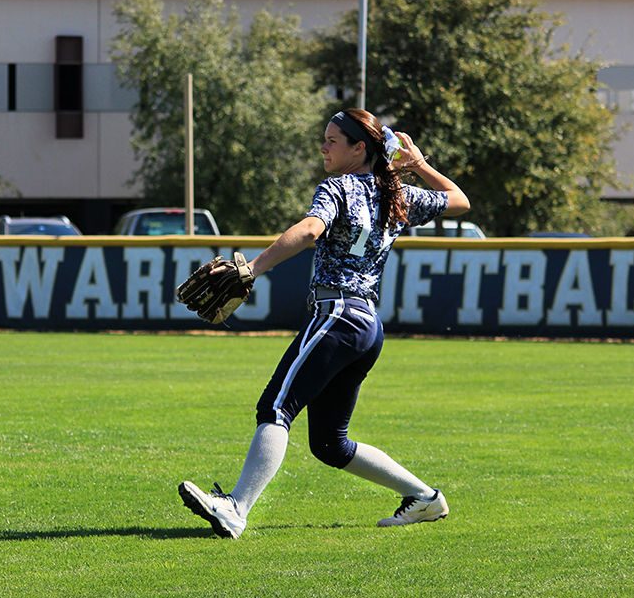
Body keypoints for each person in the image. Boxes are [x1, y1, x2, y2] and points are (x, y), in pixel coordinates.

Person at [178, 108, 471, 539]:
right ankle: (425, 498)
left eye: (333, 140)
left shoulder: (341, 187)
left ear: (359, 148)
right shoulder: (396, 194)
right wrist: (420, 165)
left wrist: (254, 268)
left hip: (337, 315)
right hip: (367, 326)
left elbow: (311, 231)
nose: (323, 147)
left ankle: (236, 508)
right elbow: (460, 200)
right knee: (330, 443)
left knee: (276, 407)